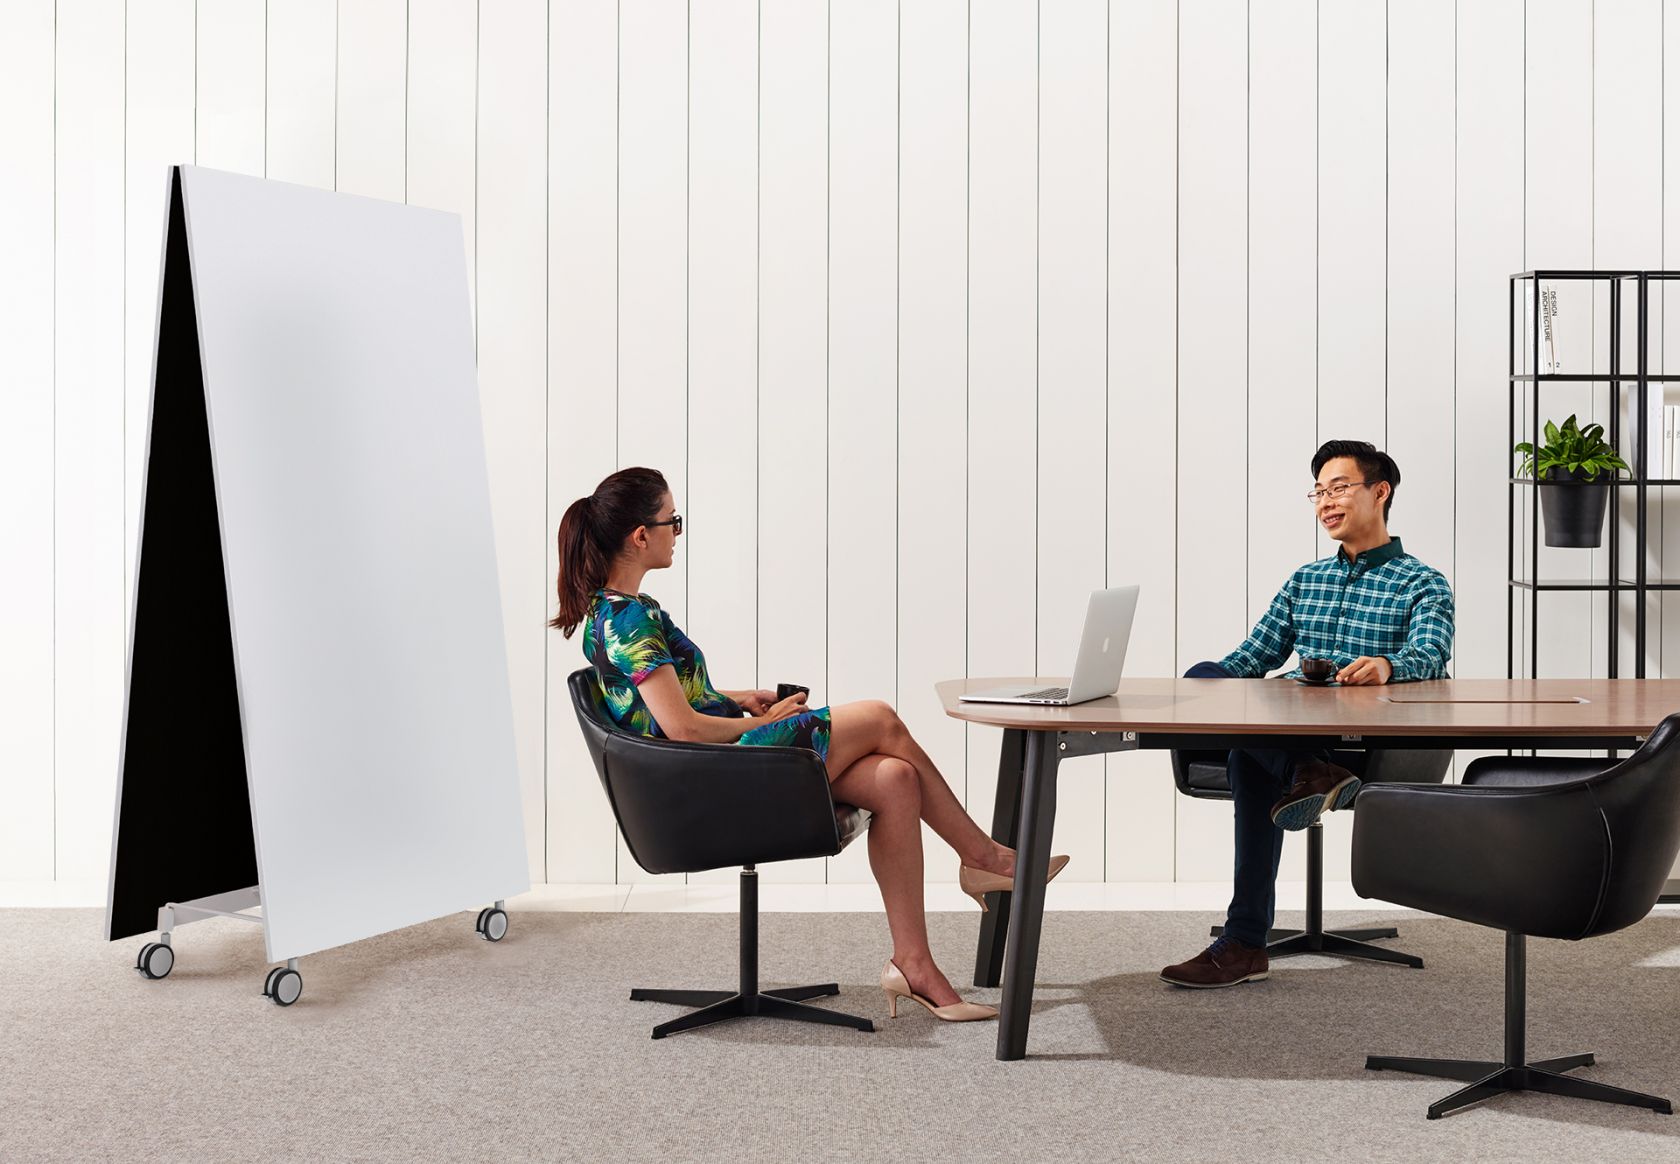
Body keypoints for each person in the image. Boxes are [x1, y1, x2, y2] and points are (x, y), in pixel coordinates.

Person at [553, 467, 1069, 1023]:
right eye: (672, 521)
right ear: (640, 536)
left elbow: (672, 703)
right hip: (708, 779)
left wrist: (741, 697)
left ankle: (913, 964)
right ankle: (982, 857)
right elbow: (683, 730)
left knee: (896, 780)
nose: (677, 532)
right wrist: (766, 721)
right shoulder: (628, 621)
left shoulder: (619, 612)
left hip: (706, 767)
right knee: (880, 717)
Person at [1159, 440, 1454, 990]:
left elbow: (1432, 654)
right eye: (1318, 492)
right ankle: (1306, 773)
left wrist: (1387, 666)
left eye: (1339, 488)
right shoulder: (1304, 580)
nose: (1326, 502)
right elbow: (1255, 656)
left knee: (1248, 752)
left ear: (1380, 492)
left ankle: (1245, 941)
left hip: (1365, 740)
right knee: (1209, 678)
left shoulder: (1423, 582)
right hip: (1290, 730)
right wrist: (1204, 688)